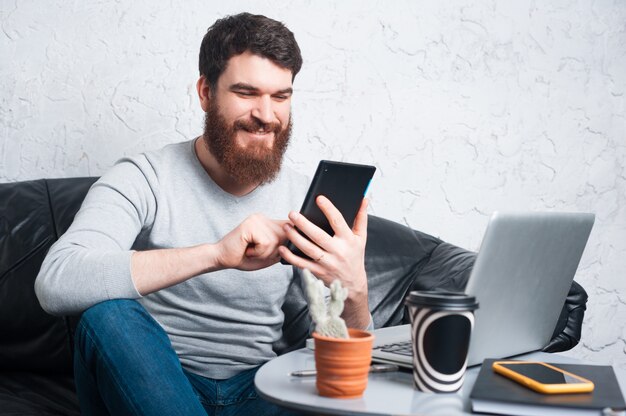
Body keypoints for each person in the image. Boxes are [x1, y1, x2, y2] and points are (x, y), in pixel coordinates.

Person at [35, 12, 372, 416]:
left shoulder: (304, 199)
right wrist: (214, 254)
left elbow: (349, 366)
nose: (267, 115)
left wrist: (354, 289)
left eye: (281, 96)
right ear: (206, 92)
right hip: (156, 386)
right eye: (247, 93)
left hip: (259, 391)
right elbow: (57, 281)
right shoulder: (144, 177)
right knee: (108, 316)